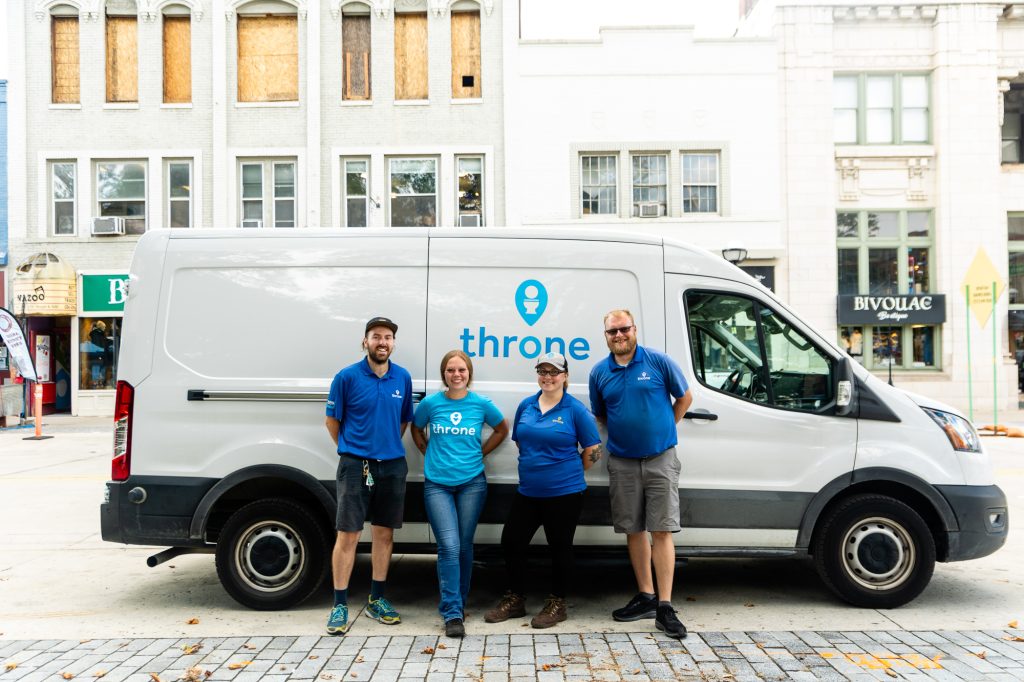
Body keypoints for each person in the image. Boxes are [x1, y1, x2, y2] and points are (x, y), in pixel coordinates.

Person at [589, 309, 692, 639]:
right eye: (612, 331)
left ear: (634, 329)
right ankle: (646, 596)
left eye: (623, 329)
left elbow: (685, 397)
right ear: (605, 336)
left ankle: (665, 606)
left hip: (661, 459)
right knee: (633, 529)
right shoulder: (599, 373)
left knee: (661, 530)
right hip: (622, 462)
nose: (618, 335)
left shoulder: (658, 362)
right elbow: (601, 414)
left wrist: (663, 429)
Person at [484, 352, 601, 629]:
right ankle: (516, 599)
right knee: (511, 541)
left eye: (554, 372)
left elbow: (593, 450)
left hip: (565, 493)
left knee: (559, 547)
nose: (548, 377)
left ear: (565, 376)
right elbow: (521, 442)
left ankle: (557, 603)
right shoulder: (526, 405)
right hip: (528, 491)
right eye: (543, 371)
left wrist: (566, 473)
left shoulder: (575, 410)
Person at [324, 317, 414, 636]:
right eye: (376, 336)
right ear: (365, 341)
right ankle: (339, 605)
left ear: (393, 343)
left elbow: (403, 421)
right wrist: (354, 450)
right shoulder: (346, 377)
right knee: (348, 534)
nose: (382, 342)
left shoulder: (402, 377)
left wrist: (383, 447)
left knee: (384, 535)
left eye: (388, 337)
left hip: (391, 466)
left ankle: (377, 599)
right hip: (354, 465)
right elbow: (332, 422)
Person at [411, 350, 509, 638]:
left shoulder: (481, 404)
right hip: (437, 484)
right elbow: (416, 429)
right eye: (451, 370)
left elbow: (502, 429)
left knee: (465, 546)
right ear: (444, 374)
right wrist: (426, 451)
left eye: (462, 370)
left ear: (469, 373)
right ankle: (452, 612)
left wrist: (482, 451)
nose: (456, 375)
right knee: (449, 547)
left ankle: (459, 602)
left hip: (472, 484)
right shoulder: (430, 404)